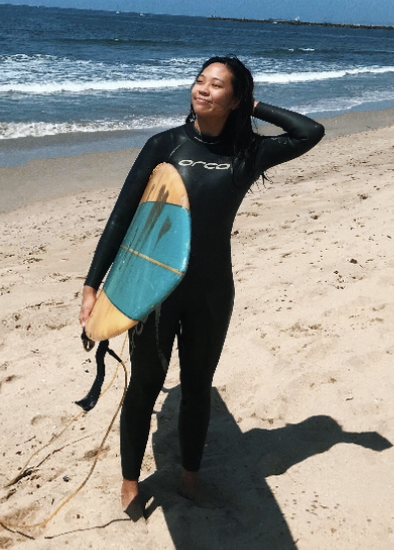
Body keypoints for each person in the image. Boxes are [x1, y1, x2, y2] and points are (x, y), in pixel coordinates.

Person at [79, 55, 324, 518]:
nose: (203, 89)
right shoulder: (165, 145)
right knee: (145, 384)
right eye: (199, 80)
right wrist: (94, 284)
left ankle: (190, 477)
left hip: (212, 292)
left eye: (216, 85)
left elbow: (309, 132)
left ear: (234, 100)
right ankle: (130, 482)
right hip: (155, 290)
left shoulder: (247, 153)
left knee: (197, 386)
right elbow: (122, 216)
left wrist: (252, 106)